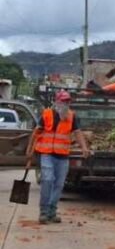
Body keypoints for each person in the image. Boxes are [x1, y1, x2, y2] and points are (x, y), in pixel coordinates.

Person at [25, 90, 92, 224]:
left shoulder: (72, 117)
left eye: (68, 101)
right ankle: (43, 211)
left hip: (62, 156)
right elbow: (36, 133)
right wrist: (30, 149)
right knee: (48, 180)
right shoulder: (47, 115)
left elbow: (78, 133)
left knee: (59, 184)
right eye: (63, 101)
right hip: (47, 154)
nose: (66, 104)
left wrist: (84, 147)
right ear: (56, 102)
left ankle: (52, 211)